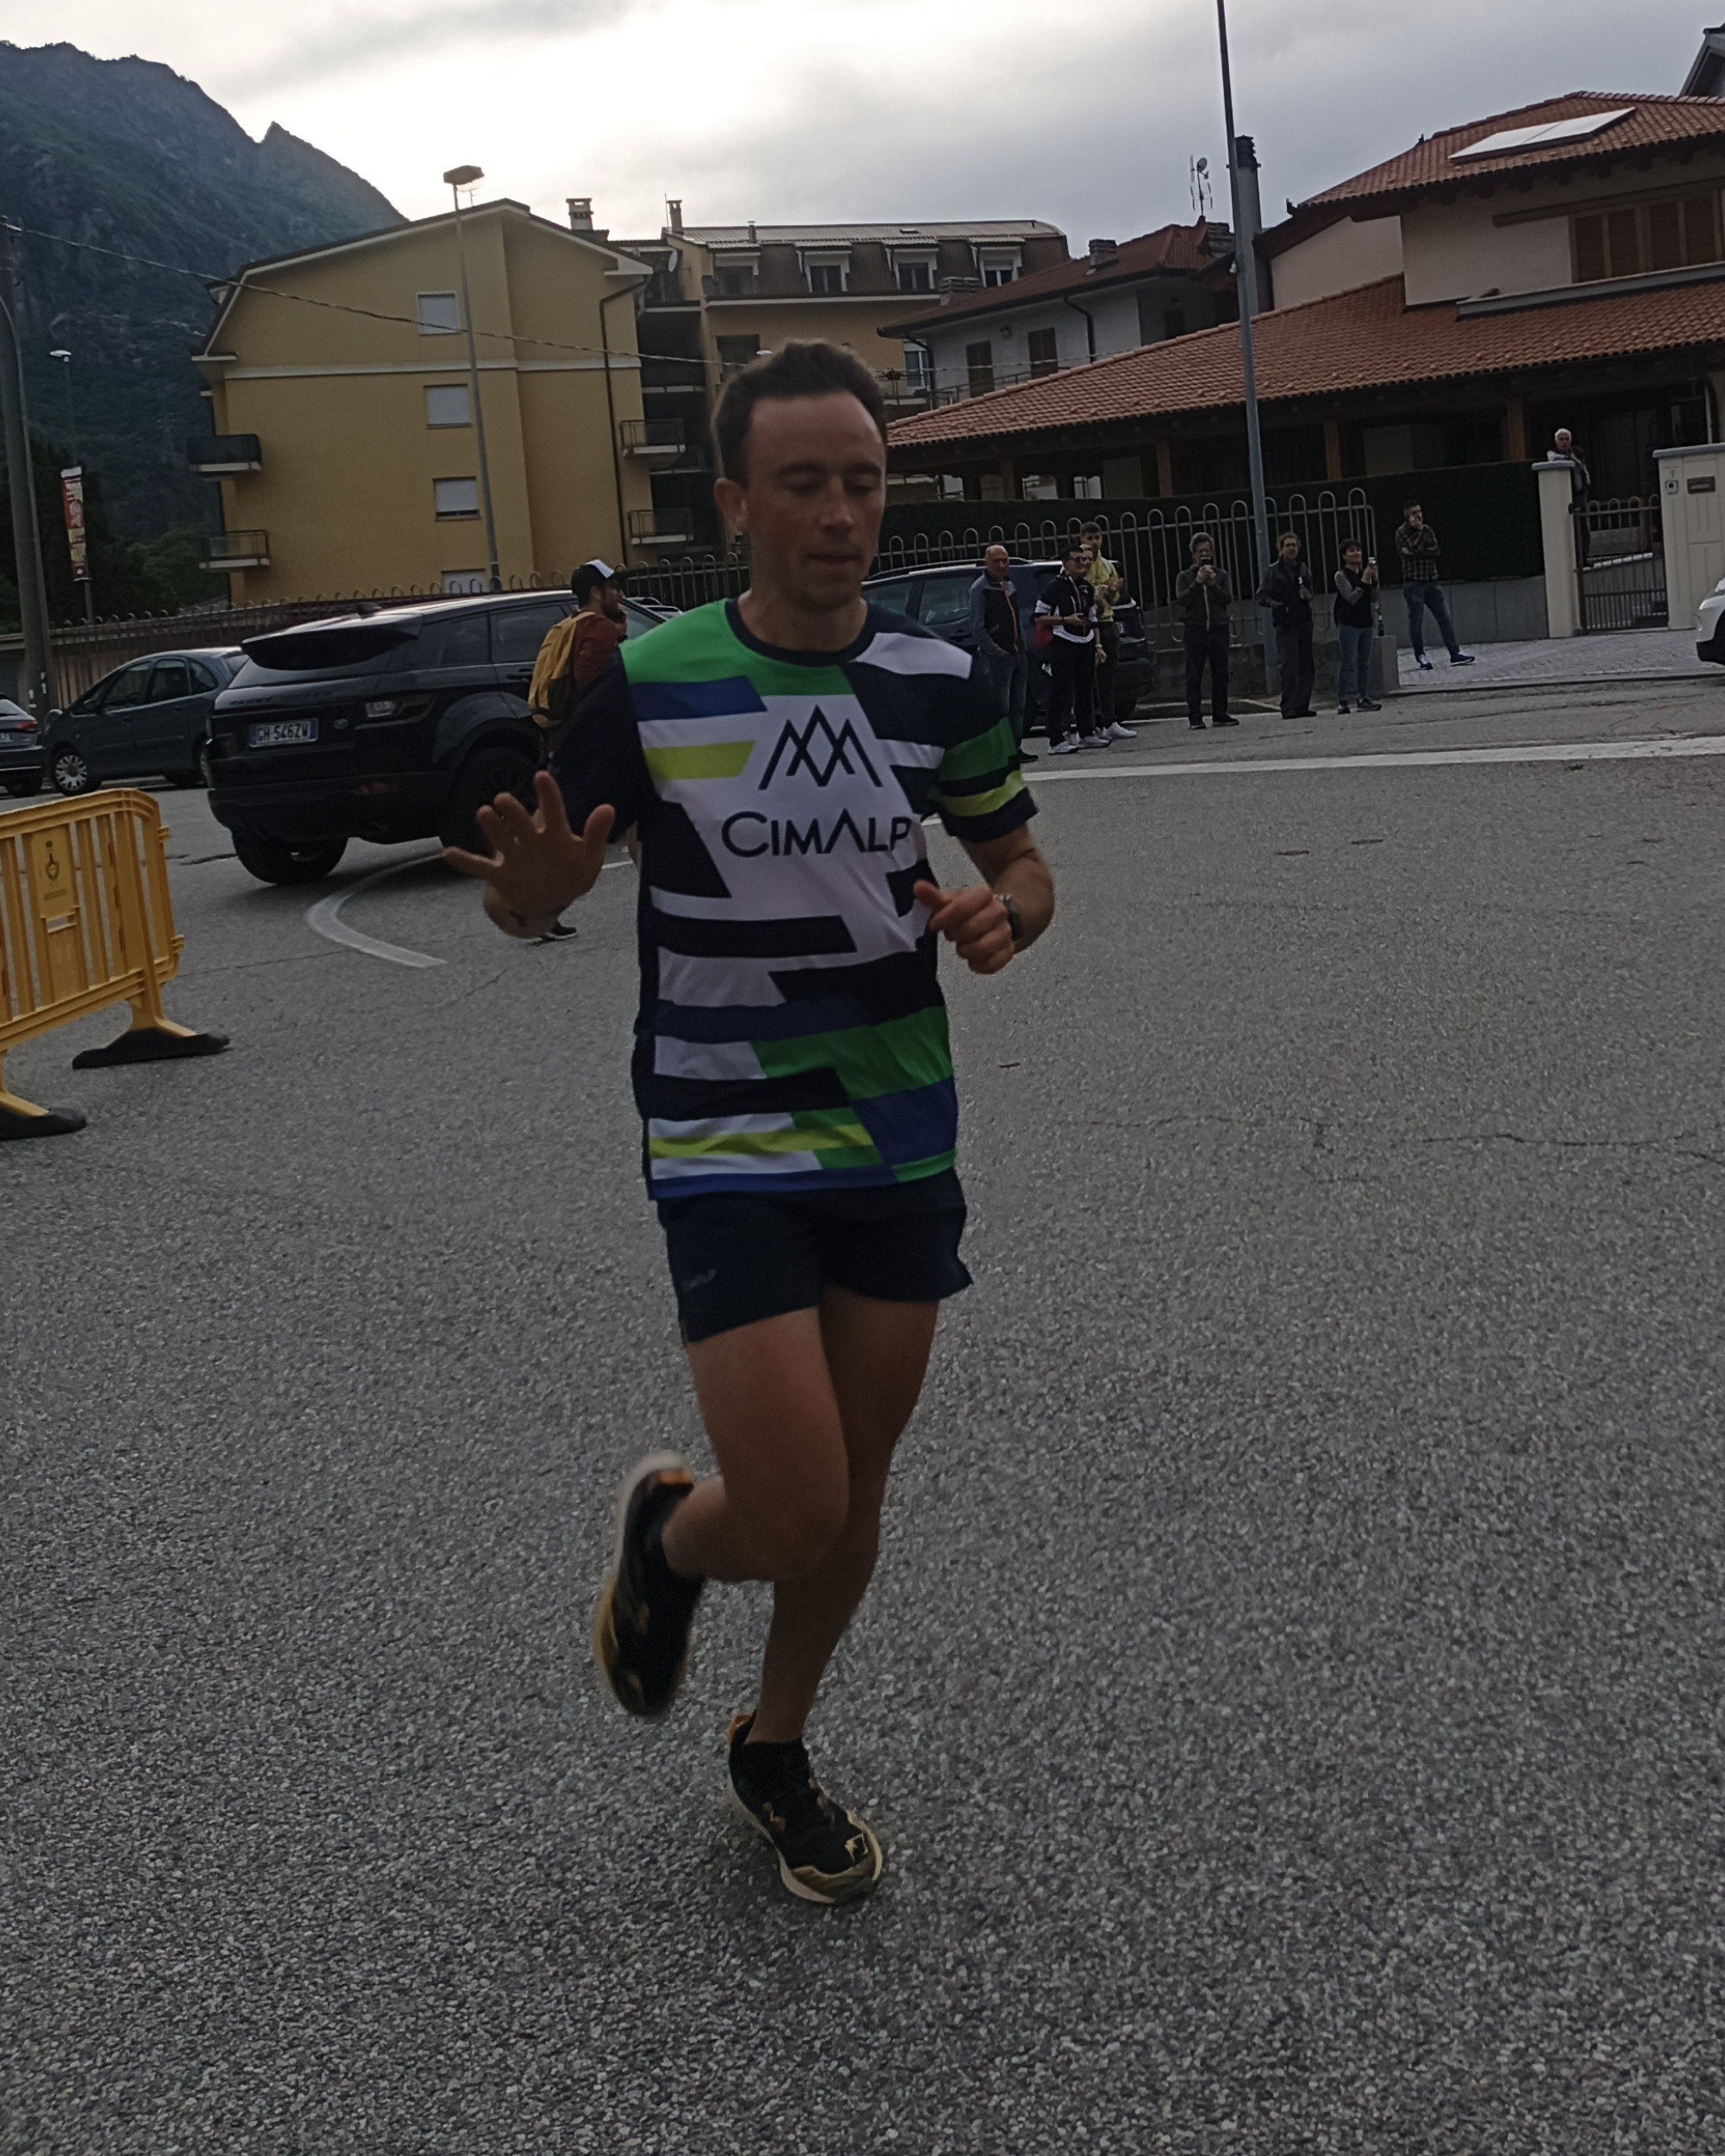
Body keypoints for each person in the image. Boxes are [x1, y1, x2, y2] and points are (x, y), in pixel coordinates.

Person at [445, 341, 1054, 1908]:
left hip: (898, 1130)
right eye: (802, 485)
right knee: (788, 1502)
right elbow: (532, 885)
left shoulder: (939, 681)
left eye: (863, 482)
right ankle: (670, 1541)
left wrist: (1007, 913)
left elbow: (1019, 861)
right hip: (724, 1131)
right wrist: (533, 900)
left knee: (854, 1485)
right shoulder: (648, 685)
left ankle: (773, 1746)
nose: (840, 514)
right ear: (734, 504)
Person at [529, 560, 629, 757]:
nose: (620, 594)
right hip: (590, 737)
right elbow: (589, 678)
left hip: (561, 735)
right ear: (596, 593)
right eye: (613, 587)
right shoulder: (599, 626)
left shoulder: (571, 623)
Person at [967, 542, 1036, 761]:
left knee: (1018, 706)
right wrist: (995, 651)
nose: (1002, 565)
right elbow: (977, 626)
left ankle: (1015, 748)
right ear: (987, 563)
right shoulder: (980, 589)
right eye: (996, 561)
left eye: (1005, 560)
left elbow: (1016, 620)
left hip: (1017, 654)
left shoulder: (1010, 586)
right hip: (998, 658)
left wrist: (1022, 648)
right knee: (1000, 707)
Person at [1036, 543, 1107, 754]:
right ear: (1065, 563)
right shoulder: (1054, 587)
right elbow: (1039, 617)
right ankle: (1055, 739)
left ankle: (1086, 732)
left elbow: (1092, 617)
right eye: (1077, 559)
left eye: (1084, 559)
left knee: (1085, 690)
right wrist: (1066, 620)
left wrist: (1097, 644)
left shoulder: (1086, 587)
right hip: (1063, 641)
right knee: (1060, 691)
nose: (1082, 563)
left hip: (1085, 642)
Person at [1395, 503, 1474, 671]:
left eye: (1419, 511)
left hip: (1432, 580)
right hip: (1414, 582)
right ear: (1407, 516)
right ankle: (1420, 656)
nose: (1418, 516)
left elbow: (1435, 550)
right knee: (1416, 621)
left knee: (1444, 617)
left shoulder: (1428, 529)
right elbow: (1410, 549)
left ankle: (1454, 652)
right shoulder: (1401, 532)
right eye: (1414, 513)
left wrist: (1415, 551)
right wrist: (1418, 534)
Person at [1173, 532, 1236, 729]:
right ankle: (1195, 717)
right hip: (1195, 630)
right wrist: (1198, 583)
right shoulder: (1184, 577)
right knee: (1194, 675)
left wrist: (1213, 585)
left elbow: (1227, 599)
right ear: (1193, 554)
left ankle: (1220, 714)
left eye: (1207, 551)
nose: (1204, 555)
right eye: (1200, 551)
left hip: (1218, 629)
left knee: (1221, 674)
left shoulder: (1221, 575)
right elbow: (1183, 600)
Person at [1079, 521, 1134, 743]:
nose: (1094, 542)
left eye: (1097, 538)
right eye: (1089, 538)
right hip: (1086, 626)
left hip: (1107, 623)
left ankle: (1110, 722)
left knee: (1108, 676)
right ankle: (1089, 725)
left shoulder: (1107, 565)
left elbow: (1114, 599)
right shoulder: (1078, 564)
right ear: (1081, 539)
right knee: (1086, 678)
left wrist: (1113, 591)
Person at [1256, 531, 1316, 720]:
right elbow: (1261, 596)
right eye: (1287, 545)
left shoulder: (1302, 569)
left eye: (1294, 545)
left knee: (1306, 665)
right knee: (1289, 665)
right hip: (1286, 624)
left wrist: (1307, 595)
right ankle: (1288, 706)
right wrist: (1278, 605)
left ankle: (1302, 705)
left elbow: (1311, 590)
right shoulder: (1273, 571)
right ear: (1280, 549)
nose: (1291, 548)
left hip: (1303, 621)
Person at [1332, 541, 1382, 715]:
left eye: (1358, 550)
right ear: (1344, 555)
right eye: (1351, 551)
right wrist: (1363, 581)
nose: (1356, 553)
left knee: (1364, 663)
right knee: (1348, 661)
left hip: (1365, 622)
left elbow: (1373, 598)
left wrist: (1374, 582)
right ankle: (1342, 699)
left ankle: (1363, 697)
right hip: (1349, 623)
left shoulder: (1364, 573)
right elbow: (1351, 598)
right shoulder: (1341, 575)